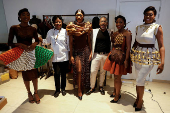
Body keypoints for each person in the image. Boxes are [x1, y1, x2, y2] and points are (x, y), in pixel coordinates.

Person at [131, 6, 165, 111]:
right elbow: (136, 42)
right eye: (146, 14)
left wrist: (162, 62)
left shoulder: (157, 27)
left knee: (140, 79)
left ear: (154, 16)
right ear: (144, 15)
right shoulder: (138, 27)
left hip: (149, 56)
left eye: (151, 14)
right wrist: (130, 53)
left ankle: (140, 101)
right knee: (138, 80)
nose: (148, 16)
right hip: (137, 56)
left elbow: (161, 46)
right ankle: (138, 98)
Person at [7, 8, 41, 104]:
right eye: (23, 15)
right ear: (19, 16)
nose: (26, 17)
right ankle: (29, 93)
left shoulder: (33, 28)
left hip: (31, 53)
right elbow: (9, 43)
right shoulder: (14, 28)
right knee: (26, 75)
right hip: (21, 53)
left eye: (27, 15)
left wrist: (35, 44)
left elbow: (37, 40)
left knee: (34, 74)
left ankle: (36, 92)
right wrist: (20, 44)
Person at [103, 15, 132, 103]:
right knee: (115, 77)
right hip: (114, 57)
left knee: (117, 78)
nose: (118, 24)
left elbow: (128, 48)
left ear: (124, 23)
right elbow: (114, 45)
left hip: (121, 59)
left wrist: (126, 60)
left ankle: (117, 95)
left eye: (120, 22)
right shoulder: (115, 33)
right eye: (117, 22)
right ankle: (115, 92)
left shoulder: (127, 33)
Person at [40, 15, 70, 97]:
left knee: (63, 74)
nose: (58, 23)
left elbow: (68, 45)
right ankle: (57, 90)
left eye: (59, 22)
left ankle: (63, 89)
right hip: (55, 57)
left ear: (62, 22)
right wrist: (39, 39)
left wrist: (70, 55)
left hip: (64, 56)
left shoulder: (65, 31)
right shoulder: (50, 32)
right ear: (53, 23)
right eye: (56, 22)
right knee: (56, 74)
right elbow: (47, 42)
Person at [66, 9, 92, 100]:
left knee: (85, 70)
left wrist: (91, 51)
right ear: (75, 16)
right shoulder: (71, 26)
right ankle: (79, 89)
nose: (79, 16)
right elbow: (70, 42)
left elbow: (89, 40)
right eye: (77, 15)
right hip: (76, 51)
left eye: (80, 15)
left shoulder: (87, 26)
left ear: (83, 16)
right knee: (79, 70)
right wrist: (71, 55)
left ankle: (83, 86)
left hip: (85, 50)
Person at [86, 16, 111, 95]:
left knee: (103, 72)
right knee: (93, 71)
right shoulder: (94, 31)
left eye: (104, 21)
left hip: (105, 55)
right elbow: (88, 39)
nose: (103, 23)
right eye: (101, 21)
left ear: (107, 23)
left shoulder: (110, 32)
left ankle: (101, 86)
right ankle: (92, 87)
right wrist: (90, 52)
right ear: (99, 23)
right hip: (96, 55)